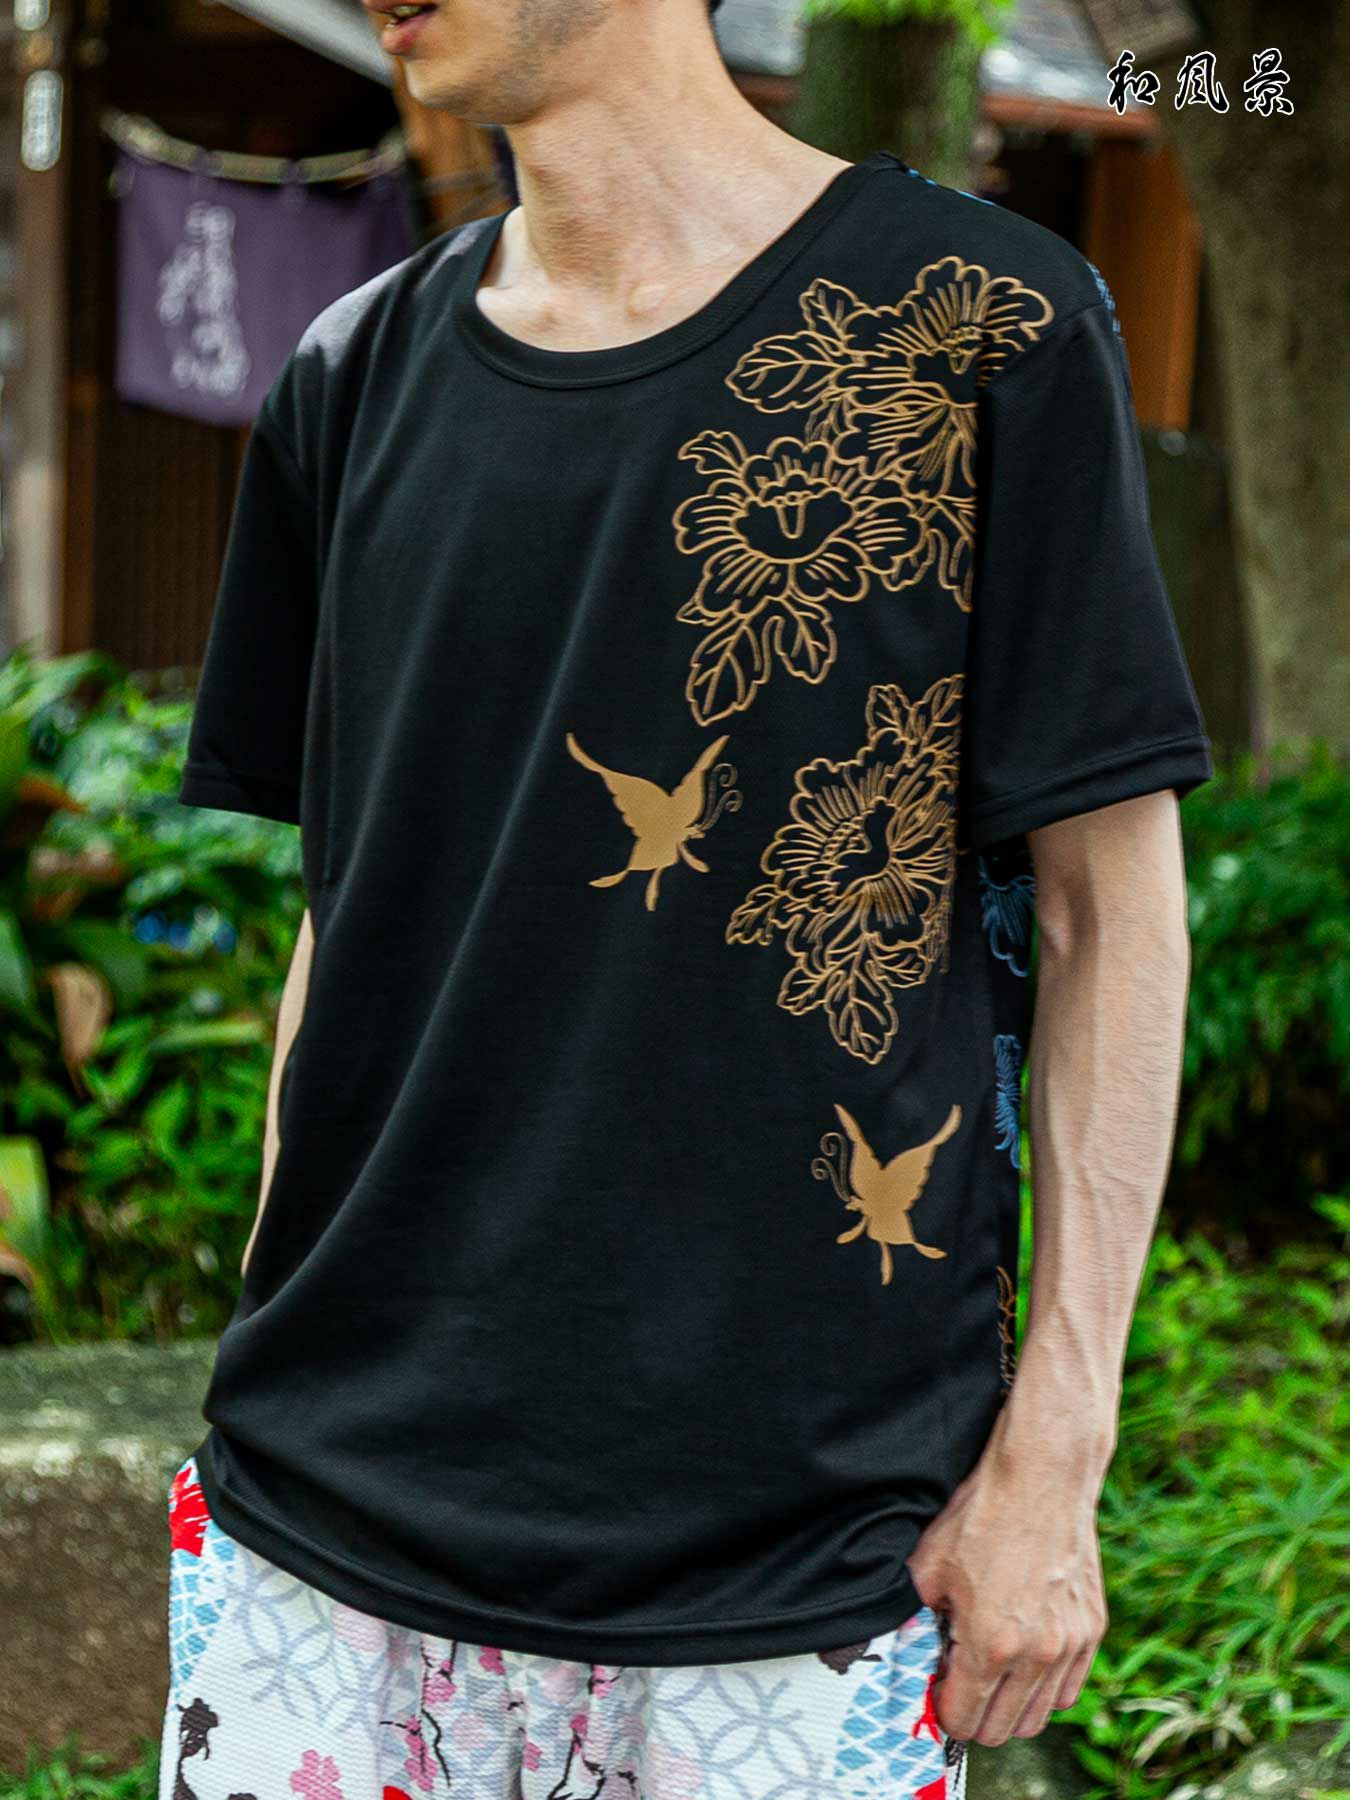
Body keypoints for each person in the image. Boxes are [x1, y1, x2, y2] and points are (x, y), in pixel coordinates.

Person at [161, 0, 1214, 1794]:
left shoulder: (980, 323)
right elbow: (355, 909)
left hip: (799, 1563)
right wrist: (270, 1313)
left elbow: (1111, 913)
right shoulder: (352, 372)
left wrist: (1053, 1462)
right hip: (314, 1537)